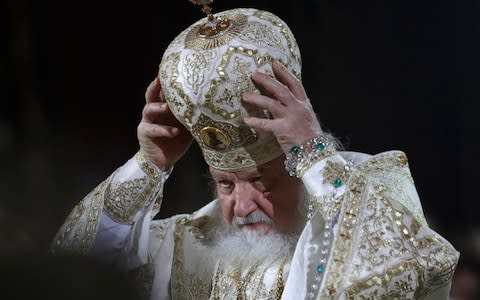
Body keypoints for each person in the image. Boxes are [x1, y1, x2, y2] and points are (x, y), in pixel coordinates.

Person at [50, 6, 459, 300]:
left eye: (263, 182)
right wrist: (148, 165)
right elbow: (71, 271)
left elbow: (400, 270)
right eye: (225, 184)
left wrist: (314, 153)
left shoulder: (365, 198)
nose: (242, 206)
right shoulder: (187, 247)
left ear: (301, 170)